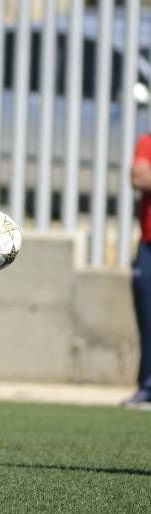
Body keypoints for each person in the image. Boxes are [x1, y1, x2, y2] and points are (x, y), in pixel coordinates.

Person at [125, 133, 151, 409]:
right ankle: (147, 387)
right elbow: (140, 177)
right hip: (149, 246)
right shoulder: (148, 140)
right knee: (148, 320)